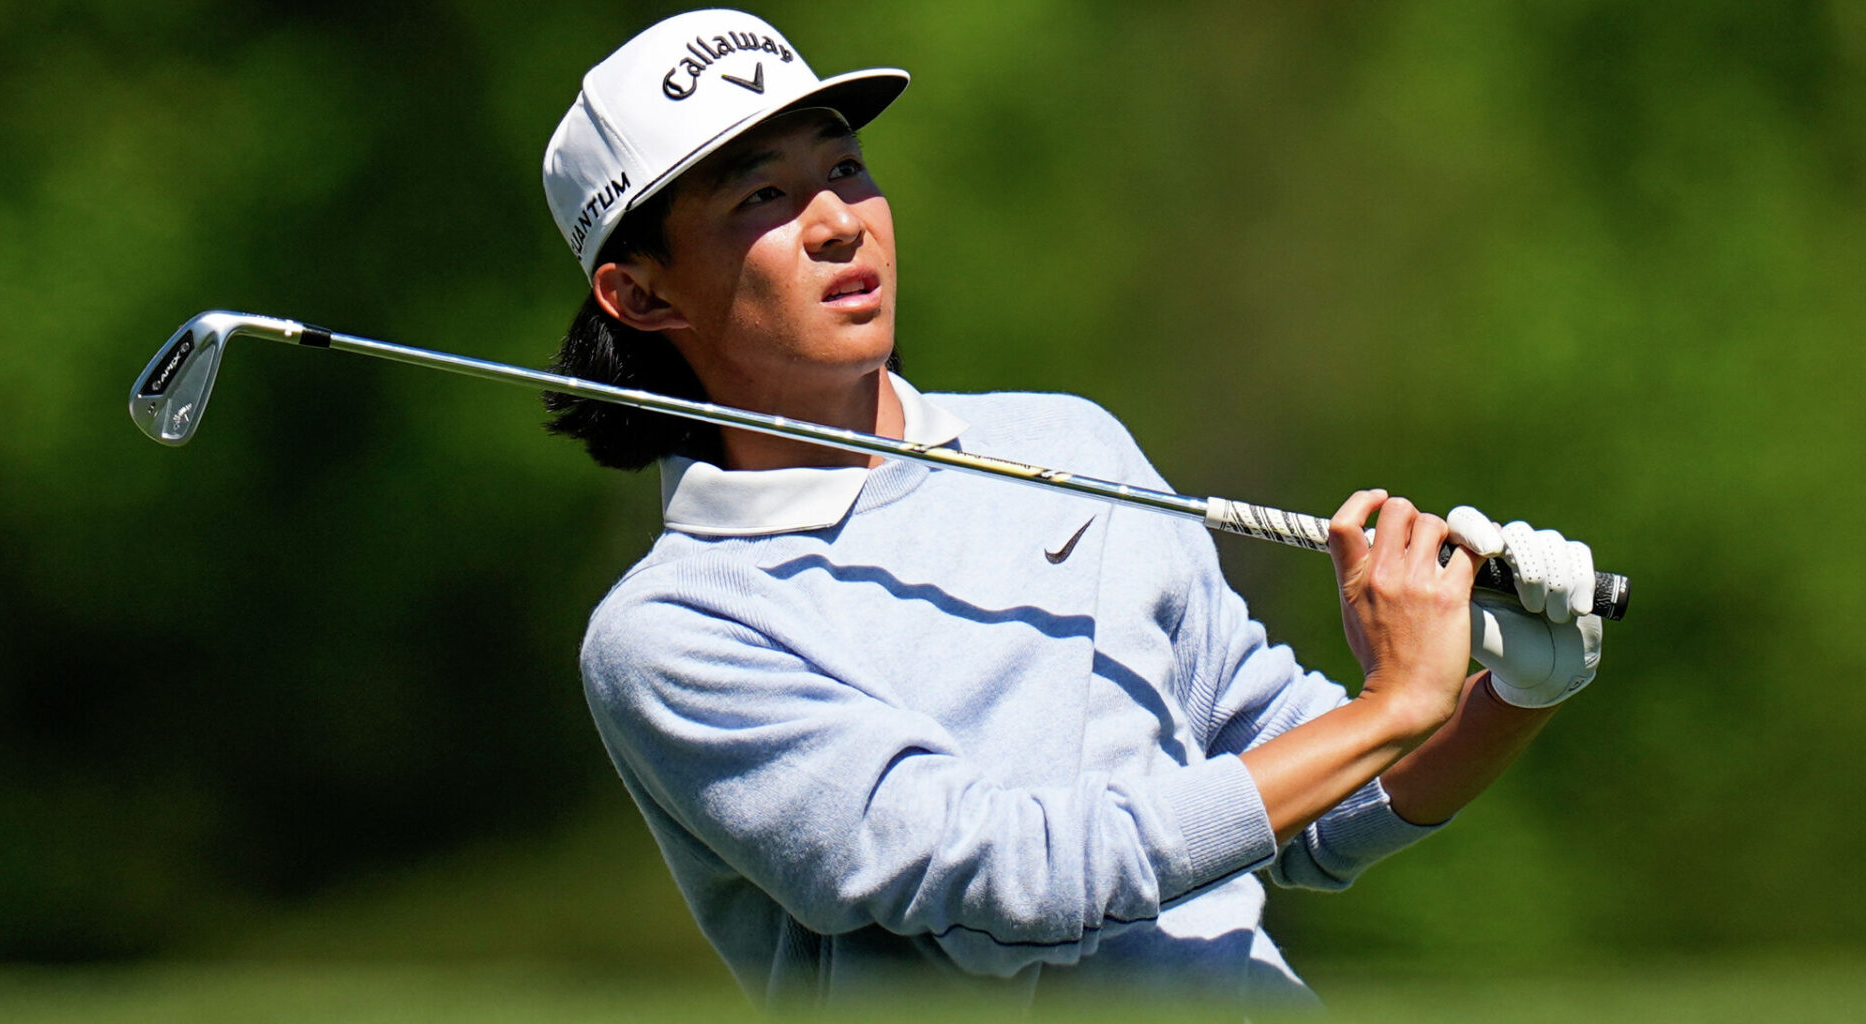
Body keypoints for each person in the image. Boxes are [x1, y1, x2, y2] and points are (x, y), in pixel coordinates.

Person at [538, 9, 1604, 1010]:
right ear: (640, 293)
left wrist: (1504, 693)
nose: (836, 223)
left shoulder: (1066, 445)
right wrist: (1390, 708)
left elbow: (1306, 800)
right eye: (760, 197)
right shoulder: (673, 636)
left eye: (847, 168)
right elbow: (1012, 886)